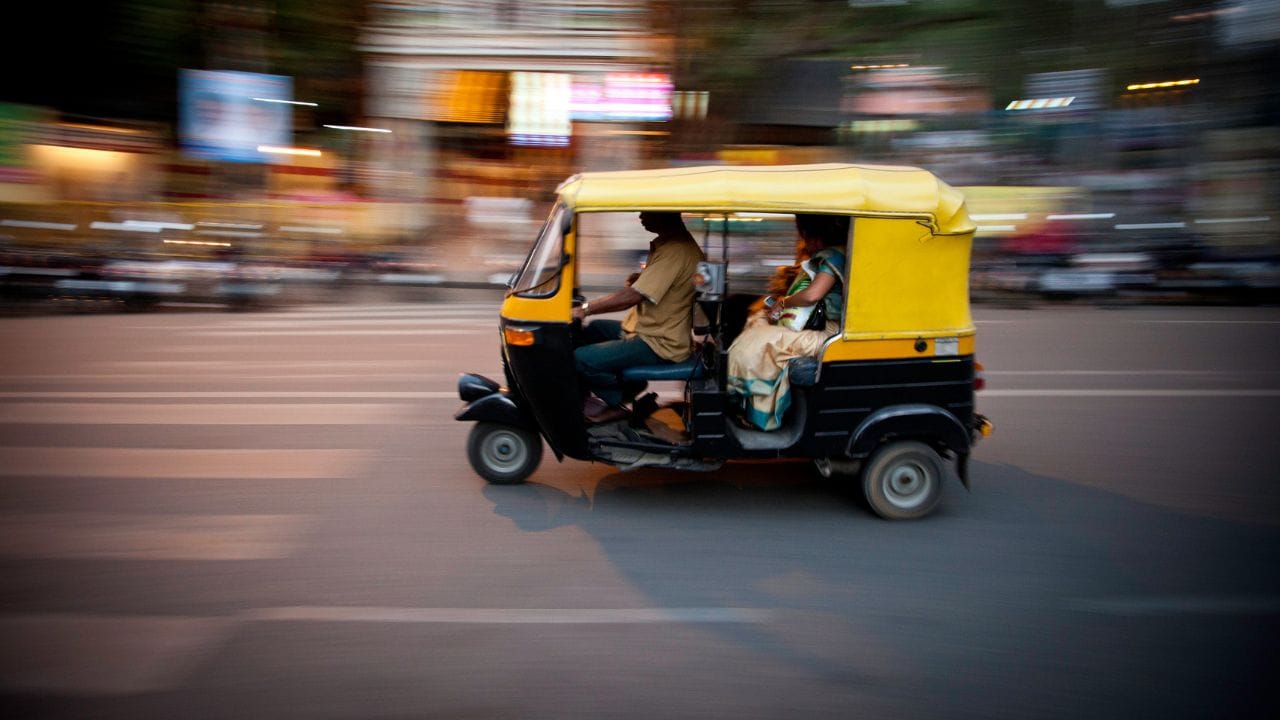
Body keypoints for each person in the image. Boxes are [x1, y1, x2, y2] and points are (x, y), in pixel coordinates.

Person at [574, 211, 705, 423]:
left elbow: (633, 297)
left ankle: (619, 402)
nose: (641, 216)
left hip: (659, 342)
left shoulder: (676, 250)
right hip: (650, 329)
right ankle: (623, 388)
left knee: (580, 359)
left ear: (665, 215)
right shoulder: (671, 245)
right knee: (594, 329)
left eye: (647, 211)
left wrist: (585, 309)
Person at [726, 214, 848, 431]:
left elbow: (812, 295)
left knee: (757, 341)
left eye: (804, 239)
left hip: (830, 337)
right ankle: (750, 405)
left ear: (813, 237)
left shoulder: (833, 256)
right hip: (823, 331)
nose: (804, 245)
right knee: (758, 320)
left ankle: (748, 405)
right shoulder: (835, 254)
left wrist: (783, 302)